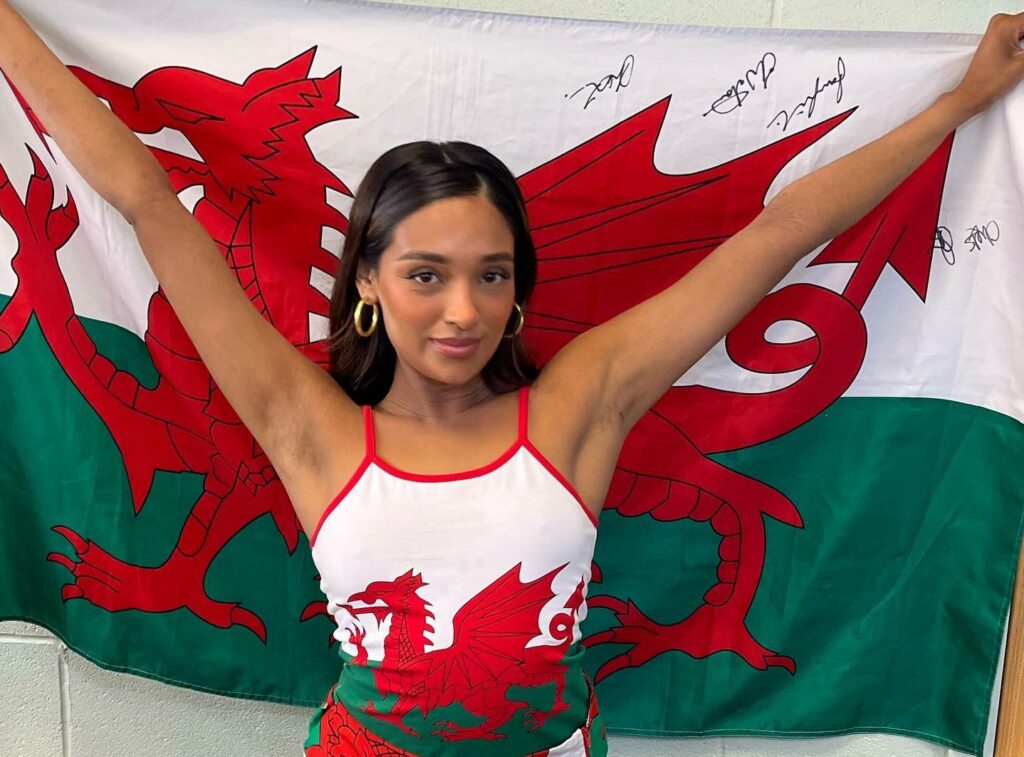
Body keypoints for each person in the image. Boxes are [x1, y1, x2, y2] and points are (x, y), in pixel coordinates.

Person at [2, 1, 1024, 754]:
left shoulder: (583, 405)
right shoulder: (307, 425)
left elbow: (781, 232)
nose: (462, 310)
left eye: (490, 275)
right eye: (424, 275)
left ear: (519, 288)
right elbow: (143, 198)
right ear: (367, 280)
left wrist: (963, 103)